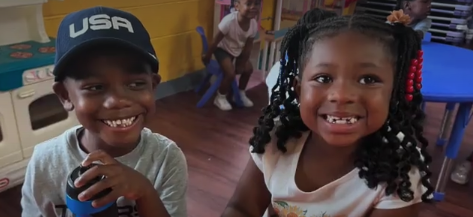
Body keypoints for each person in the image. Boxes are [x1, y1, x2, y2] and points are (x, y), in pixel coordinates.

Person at [222, 9, 434, 217]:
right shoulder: (275, 141)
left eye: (368, 79)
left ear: (393, 93)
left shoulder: (399, 171)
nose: (341, 96)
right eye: (323, 78)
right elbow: (241, 209)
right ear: (299, 90)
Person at [20, 7, 188, 217]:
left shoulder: (166, 158)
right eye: (95, 87)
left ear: (153, 86)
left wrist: (144, 191)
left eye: (136, 83)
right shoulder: (45, 162)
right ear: (65, 95)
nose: (118, 101)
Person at [202, 0, 261, 111]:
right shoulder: (229, 21)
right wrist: (207, 56)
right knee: (230, 73)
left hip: (237, 50)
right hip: (222, 49)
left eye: (257, 3)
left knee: (248, 69)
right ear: (237, 6)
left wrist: (242, 63)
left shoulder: (253, 24)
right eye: (248, 4)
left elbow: (248, 47)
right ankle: (220, 97)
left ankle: (240, 93)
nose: (253, 7)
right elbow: (215, 41)